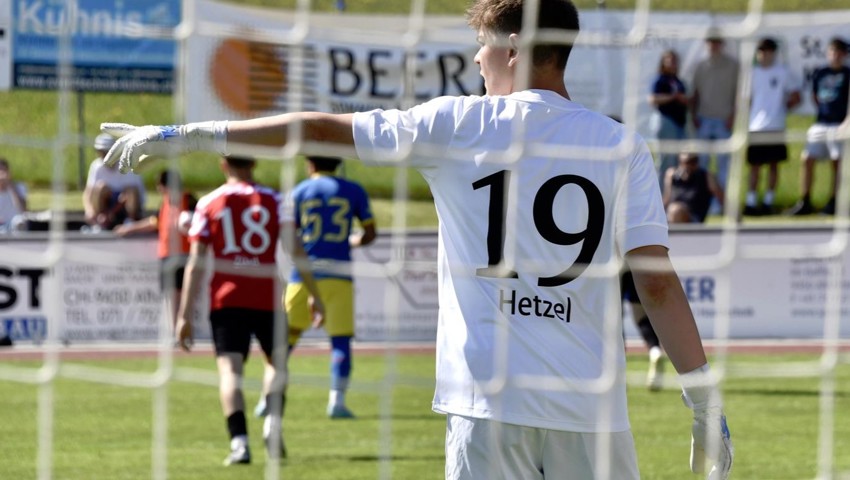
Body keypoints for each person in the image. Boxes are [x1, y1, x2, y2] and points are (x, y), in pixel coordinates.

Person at [99, 1, 733, 478]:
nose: (477, 61)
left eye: (482, 48)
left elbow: (317, 127)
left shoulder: (455, 123)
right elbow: (654, 281)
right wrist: (701, 400)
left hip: (486, 403)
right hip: (589, 409)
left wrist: (194, 135)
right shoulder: (621, 144)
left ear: (512, 46)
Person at [175, 155, 325, 466]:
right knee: (276, 364)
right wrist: (315, 295)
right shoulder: (275, 201)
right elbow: (297, 250)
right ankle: (272, 421)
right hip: (268, 297)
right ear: (254, 163)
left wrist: (184, 315)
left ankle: (239, 443)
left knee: (230, 373)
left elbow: (195, 264)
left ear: (222, 164)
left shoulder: (209, 203)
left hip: (226, 300)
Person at [256, 155, 377, 420]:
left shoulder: (298, 191)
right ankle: (337, 400)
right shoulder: (353, 190)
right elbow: (369, 233)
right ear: (337, 163)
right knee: (340, 340)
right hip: (339, 274)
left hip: (304, 275)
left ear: (310, 164)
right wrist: (349, 243)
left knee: (284, 340)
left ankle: (268, 397)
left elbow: (289, 234)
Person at [114, 170, 197, 324]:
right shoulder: (165, 203)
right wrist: (130, 228)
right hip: (167, 255)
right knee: (170, 295)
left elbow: (200, 221)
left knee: (185, 294)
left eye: (160, 186)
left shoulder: (189, 200)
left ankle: (185, 326)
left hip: (185, 254)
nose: (159, 190)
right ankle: (174, 330)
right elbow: (154, 222)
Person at [786, 37, 850, 216]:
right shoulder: (820, 73)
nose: (835, 56)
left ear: (844, 55)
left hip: (840, 124)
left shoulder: (847, 74)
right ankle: (805, 200)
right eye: (832, 52)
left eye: (839, 52)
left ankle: (835, 201)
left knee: (837, 162)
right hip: (821, 122)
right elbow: (816, 97)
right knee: (807, 158)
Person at [744, 37, 802, 217]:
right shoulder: (751, 73)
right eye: (761, 51)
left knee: (773, 166)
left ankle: (769, 201)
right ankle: (751, 201)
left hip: (776, 125)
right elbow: (746, 99)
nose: (764, 55)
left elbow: (796, 94)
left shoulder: (782, 72)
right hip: (755, 126)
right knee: (755, 166)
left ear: (773, 53)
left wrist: (784, 107)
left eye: (767, 51)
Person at [690, 31, 739, 215]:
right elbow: (694, 94)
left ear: (722, 44)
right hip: (703, 120)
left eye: (717, 42)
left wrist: (733, 117)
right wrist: (694, 116)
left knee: (723, 165)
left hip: (723, 121)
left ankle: (721, 205)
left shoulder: (733, 66)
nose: (714, 46)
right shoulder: (700, 66)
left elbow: (739, 96)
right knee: (701, 165)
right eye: (710, 42)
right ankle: (703, 203)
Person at [83, 133, 146, 231]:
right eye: (101, 152)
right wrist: (89, 211)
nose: (103, 156)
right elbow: (88, 192)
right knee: (100, 187)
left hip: (124, 206)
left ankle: (130, 221)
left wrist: (111, 213)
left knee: (130, 190)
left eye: (106, 152)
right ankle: (98, 224)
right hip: (108, 206)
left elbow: (132, 196)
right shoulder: (96, 166)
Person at [648, 49, 688, 186]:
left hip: (678, 124)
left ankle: (671, 196)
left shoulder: (677, 81)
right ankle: (659, 195)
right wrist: (673, 97)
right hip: (666, 122)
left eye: (674, 60)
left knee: (678, 162)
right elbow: (653, 99)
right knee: (666, 161)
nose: (672, 63)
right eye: (669, 60)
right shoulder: (660, 79)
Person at [620, 269, 665, 391]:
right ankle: (654, 350)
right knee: (640, 314)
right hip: (637, 261)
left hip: (615, 263)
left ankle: (619, 373)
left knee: (615, 318)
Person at [663, 152, 725, 224]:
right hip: (671, 215)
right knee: (673, 210)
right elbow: (666, 199)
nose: (688, 166)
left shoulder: (706, 176)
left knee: (676, 210)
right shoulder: (672, 175)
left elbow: (721, 197)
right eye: (685, 162)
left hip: (694, 219)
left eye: (693, 162)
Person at [0, 158, 28, 232]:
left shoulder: (19, 187)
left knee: (19, 221)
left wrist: (11, 187)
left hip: (13, 225)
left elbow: (23, 209)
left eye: (4, 170)